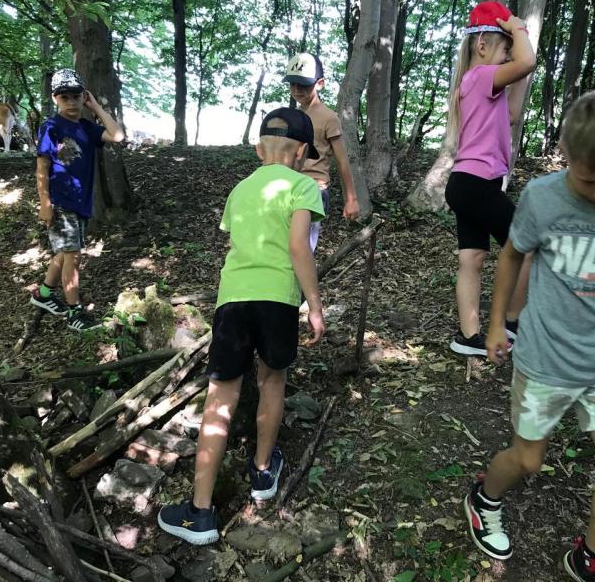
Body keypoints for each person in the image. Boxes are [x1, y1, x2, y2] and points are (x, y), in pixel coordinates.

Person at [464, 89, 595, 582]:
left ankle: (592, 559)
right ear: (567, 154)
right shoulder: (543, 197)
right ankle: (484, 497)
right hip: (544, 360)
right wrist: (496, 323)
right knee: (527, 460)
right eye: (588, 181)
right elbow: (512, 255)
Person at [157, 108, 326, 545]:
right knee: (272, 381)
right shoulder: (305, 185)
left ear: (258, 150)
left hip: (232, 300)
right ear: (302, 152)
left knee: (220, 396)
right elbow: (299, 247)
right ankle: (263, 472)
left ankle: (200, 512)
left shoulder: (239, 190)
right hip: (278, 299)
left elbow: (236, 239)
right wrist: (314, 305)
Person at [443, 1, 536, 356]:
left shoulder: (476, 84)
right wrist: (518, 27)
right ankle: (511, 323)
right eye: (504, 50)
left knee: (472, 259)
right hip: (476, 183)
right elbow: (527, 61)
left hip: (465, 183)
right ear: (482, 46)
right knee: (526, 247)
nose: (510, 57)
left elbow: (512, 113)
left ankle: (468, 337)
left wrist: (518, 67)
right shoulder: (482, 76)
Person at [29, 69, 125, 331]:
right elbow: (42, 167)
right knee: (73, 256)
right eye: (65, 97)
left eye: (76, 96)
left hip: (80, 203)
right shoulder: (51, 127)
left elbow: (118, 136)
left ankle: (43, 294)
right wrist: (45, 203)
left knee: (65, 252)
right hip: (61, 202)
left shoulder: (86, 128)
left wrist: (96, 108)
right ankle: (74, 313)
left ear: (84, 97)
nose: (71, 102)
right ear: (55, 98)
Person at [284, 53, 360, 250]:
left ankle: (304, 270)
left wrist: (351, 199)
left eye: (303, 84)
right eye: (292, 84)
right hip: (290, 187)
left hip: (314, 189)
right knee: (285, 242)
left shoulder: (329, 118)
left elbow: (342, 160)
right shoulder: (292, 117)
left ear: (319, 84)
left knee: (303, 245)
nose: (296, 89)